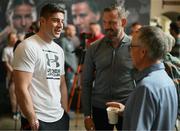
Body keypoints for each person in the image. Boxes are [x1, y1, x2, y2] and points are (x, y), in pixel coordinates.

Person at [107, 26, 178, 130]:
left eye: (131, 47)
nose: (129, 52)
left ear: (143, 52)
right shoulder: (167, 80)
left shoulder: (146, 87)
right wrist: (129, 111)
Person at [13, 3, 69, 130]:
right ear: (42, 21)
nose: (60, 25)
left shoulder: (59, 50)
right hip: (37, 119)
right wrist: (32, 118)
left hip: (59, 117)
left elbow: (62, 83)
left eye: (62, 21)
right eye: (55, 21)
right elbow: (21, 88)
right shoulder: (27, 47)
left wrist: (65, 113)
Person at [82, 4, 134, 130]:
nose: (107, 27)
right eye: (105, 22)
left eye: (112, 22)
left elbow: (142, 80)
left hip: (127, 106)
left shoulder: (135, 47)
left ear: (123, 22)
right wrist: (87, 116)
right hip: (100, 107)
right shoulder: (94, 47)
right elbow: (86, 82)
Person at [2, 32, 20, 120]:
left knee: (21, 95)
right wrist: (12, 71)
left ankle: (20, 112)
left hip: (21, 76)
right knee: (13, 95)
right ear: (9, 39)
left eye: (15, 37)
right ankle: (14, 112)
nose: (13, 39)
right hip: (11, 77)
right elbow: (6, 63)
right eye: (11, 38)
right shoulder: (6, 50)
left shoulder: (20, 48)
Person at [60, 24, 79, 94]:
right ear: (68, 31)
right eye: (73, 30)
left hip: (74, 71)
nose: (75, 32)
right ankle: (65, 105)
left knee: (72, 91)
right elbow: (62, 56)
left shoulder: (70, 41)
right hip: (68, 70)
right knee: (67, 91)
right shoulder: (63, 41)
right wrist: (70, 67)